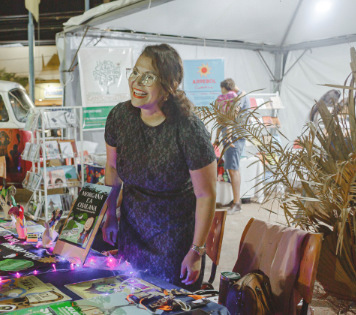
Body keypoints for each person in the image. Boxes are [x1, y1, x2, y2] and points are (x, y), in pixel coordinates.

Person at [102, 44, 216, 291]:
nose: (137, 82)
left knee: (166, 312)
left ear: (169, 86)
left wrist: (196, 251)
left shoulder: (188, 128)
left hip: (174, 240)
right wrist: (110, 214)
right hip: (131, 232)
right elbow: (112, 169)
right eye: (135, 72)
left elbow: (206, 195)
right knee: (130, 300)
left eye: (149, 77)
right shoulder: (119, 117)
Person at [218, 78, 248, 215]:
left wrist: (228, 134)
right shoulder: (238, 96)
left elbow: (230, 116)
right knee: (231, 168)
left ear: (225, 87)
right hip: (230, 136)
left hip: (233, 138)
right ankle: (235, 201)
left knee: (232, 168)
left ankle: (237, 203)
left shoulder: (237, 97)